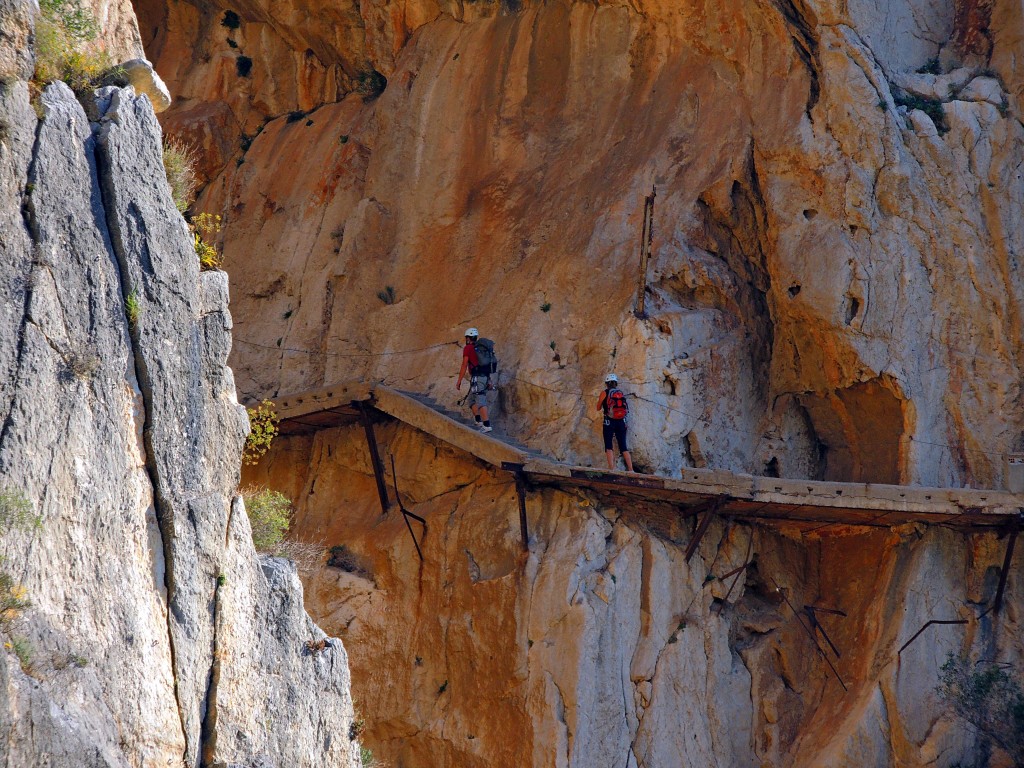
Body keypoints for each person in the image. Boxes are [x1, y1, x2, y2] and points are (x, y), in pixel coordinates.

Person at [456, 327, 492, 433]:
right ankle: (478, 421)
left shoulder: (468, 348)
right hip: (484, 376)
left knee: (480, 400)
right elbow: (486, 365)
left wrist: (459, 380)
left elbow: (464, 365)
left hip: (477, 377)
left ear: (468, 338)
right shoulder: (481, 349)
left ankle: (487, 425)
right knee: (471, 400)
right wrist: (489, 380)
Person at [597, 373, 634, 471]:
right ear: (615, 383)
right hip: (622, 421)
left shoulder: (604, 393)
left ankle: (612, 469)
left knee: (609, 446)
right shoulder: (620, 393)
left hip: (609, 422)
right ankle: (631, 470)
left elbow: (598, 408)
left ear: (606, 383)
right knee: (623, 447)